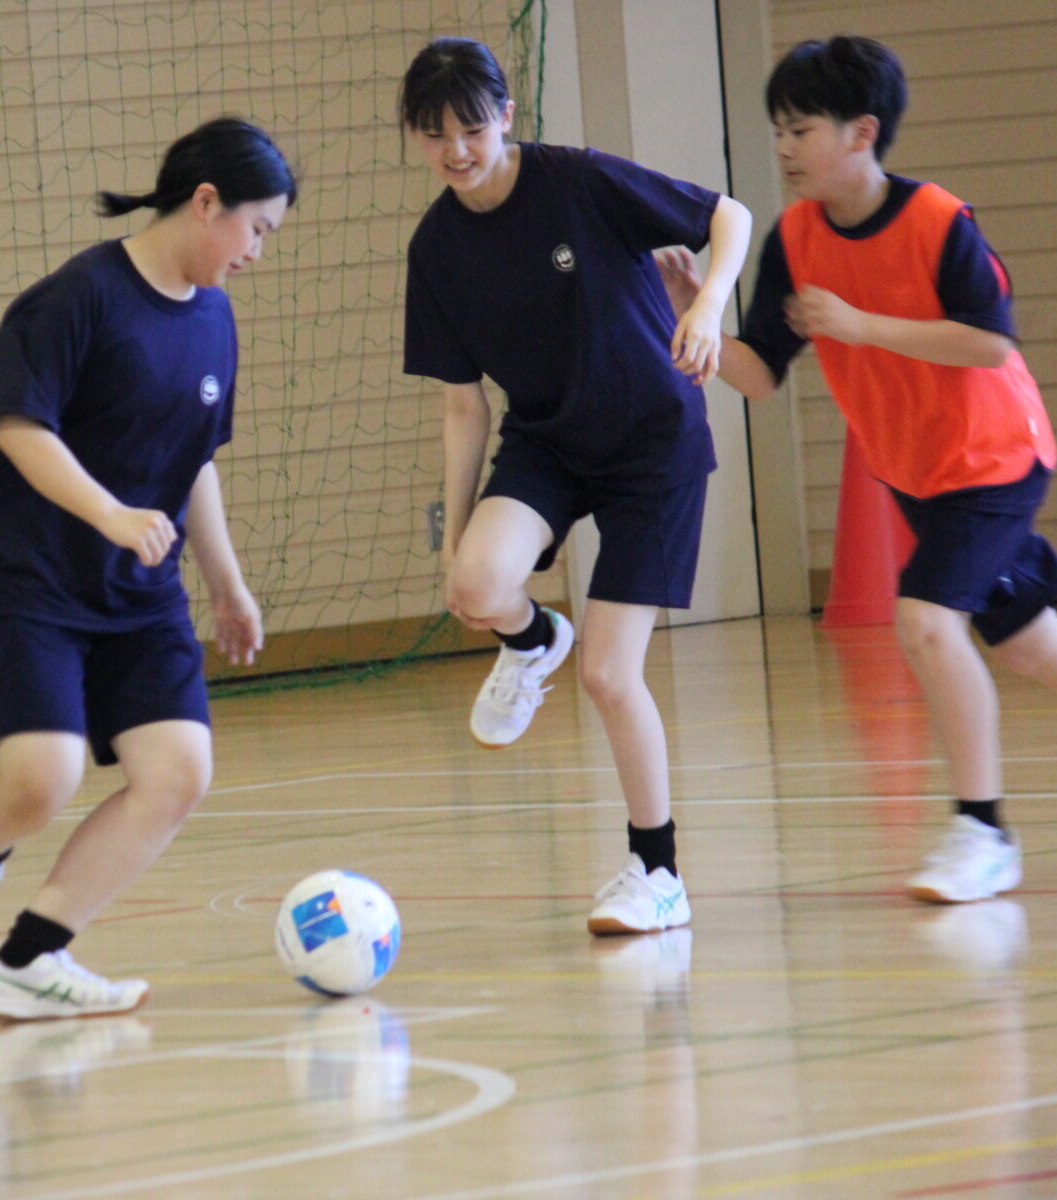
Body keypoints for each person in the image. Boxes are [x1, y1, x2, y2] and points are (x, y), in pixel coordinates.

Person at [657, 35, 1057, 903]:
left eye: (801, 129)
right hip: (917, 473)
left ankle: (983, 829)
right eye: (777, 129)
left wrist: (862, 327)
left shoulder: (940, 222)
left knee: (928, 624)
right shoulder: (795, 239)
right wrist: (695, 323)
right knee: (1034, 644)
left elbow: (989, 339)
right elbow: (762, 372)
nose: (783, 147)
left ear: (862, 133)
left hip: (995, 455)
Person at [0, 117, 294, 1018]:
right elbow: (20, 430)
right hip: (31, 579)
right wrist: (109, 513)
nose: (257, 254)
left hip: (138, 596)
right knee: (42, 778)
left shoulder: (215, 321)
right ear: (205, 203)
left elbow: (195, 464)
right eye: (257, 229)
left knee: (179, 770)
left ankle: (28, 963)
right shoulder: (74, 299)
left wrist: (227, 583)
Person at [399, 37, 752, 935]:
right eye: (436, 136)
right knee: (476, 584)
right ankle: (530, 640)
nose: (458, 152)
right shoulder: (436, 248)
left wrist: (706, 305)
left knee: (608, 673)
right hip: (550, 443)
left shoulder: (579, 181)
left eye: (472, 129)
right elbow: (463, 406)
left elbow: (730, 217)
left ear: (506, 117)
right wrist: (456, 527)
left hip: (651, 446)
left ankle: (657, 872)